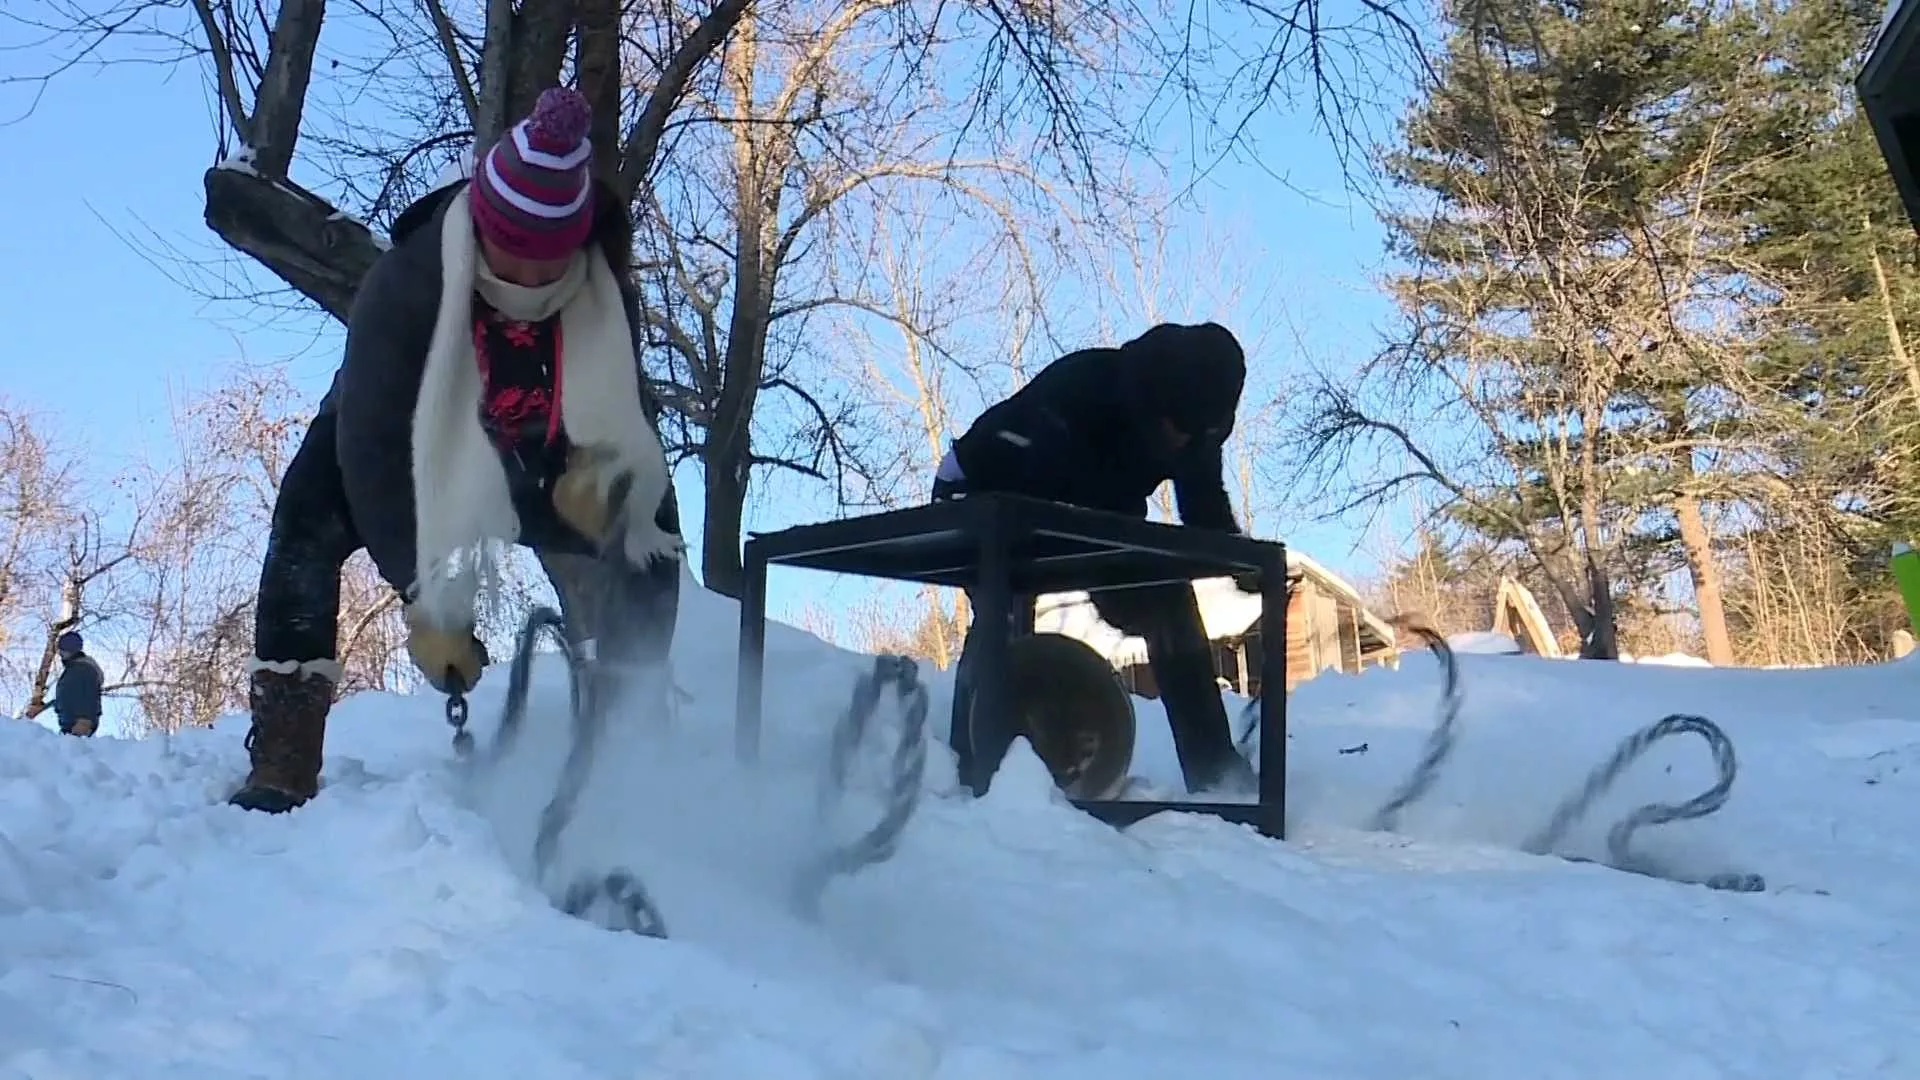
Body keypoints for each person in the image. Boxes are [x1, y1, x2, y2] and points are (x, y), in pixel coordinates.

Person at [231, 86, 684, 814]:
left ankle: (629, 741)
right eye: (513, 258)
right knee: (305, 516)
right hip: (404, 444)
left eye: (550, 266)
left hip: (536, 455)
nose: (528, 283)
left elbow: (627, 420)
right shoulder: (405, 284)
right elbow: (372, 451)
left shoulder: (608, 297)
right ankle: (283, 755)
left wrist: (602, 484)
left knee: (649, 529)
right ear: (482, 226)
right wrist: (427, 594)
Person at [933, 321, 1255, 795]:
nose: (1181, 442)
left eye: (1197, 434)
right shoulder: (1082, 388)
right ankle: (970, 770)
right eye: (1177, 427)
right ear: (1157, 401)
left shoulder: (1196, 432)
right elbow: (1045, 491)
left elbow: (1205, 513)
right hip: (984, 488)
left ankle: (1215, 773)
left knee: (1167, 599)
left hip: (1096, 515)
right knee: (1006, 600)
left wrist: (1245, 565)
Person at [49, 631, 104, 738]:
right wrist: (46, 706)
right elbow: (68, 696)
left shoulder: (83, 669)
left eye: (62, 649)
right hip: (71, 728)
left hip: (78, 728)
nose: (60, 653)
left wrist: (84, 720)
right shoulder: (73, 670)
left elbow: (87, 695)